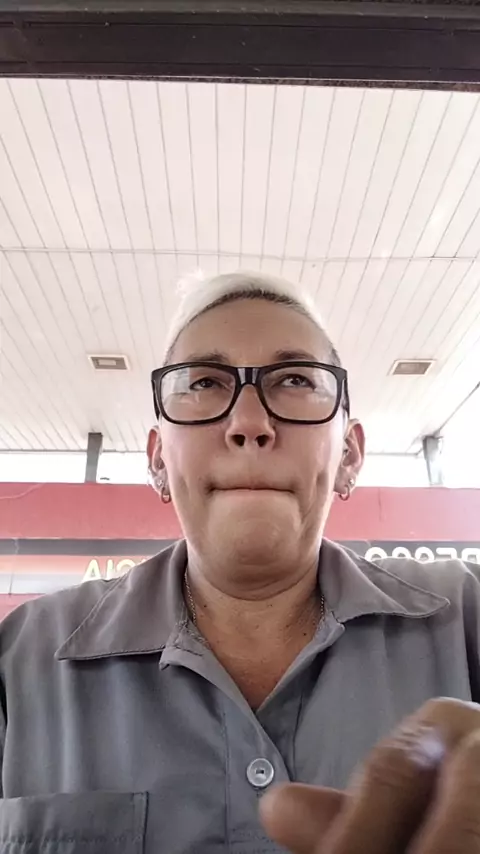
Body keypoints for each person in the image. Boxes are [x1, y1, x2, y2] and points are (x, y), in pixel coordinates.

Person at [1, 271, 480, 854]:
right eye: (204, 382)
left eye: (296, 379)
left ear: (350, 455)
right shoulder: (19, 661)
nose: (250, 424)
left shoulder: (466, 619)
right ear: (158, 459)